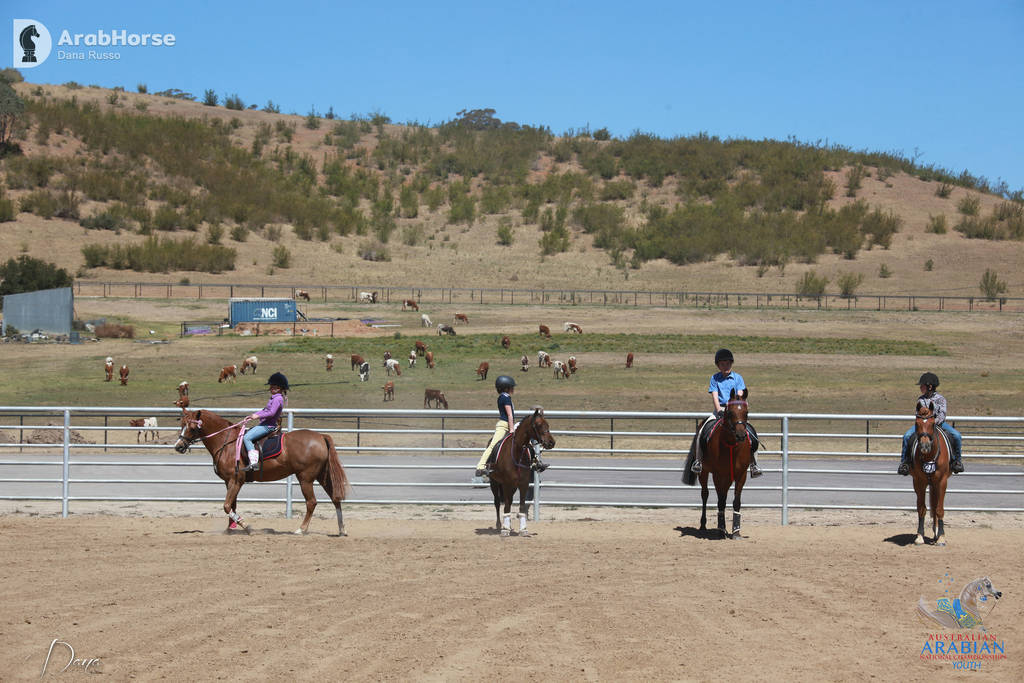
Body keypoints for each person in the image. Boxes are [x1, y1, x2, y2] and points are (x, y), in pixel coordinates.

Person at [691, 348, 762, 477]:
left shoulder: (738, 378)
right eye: (722, 364)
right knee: (702, 431)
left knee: (751, 432)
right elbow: (714, 394)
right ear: (718, 365)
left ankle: (754, 463)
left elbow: (740, 393)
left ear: (731, 363)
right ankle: (698, 461)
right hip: (721, 409)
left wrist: (735, 405)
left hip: (735, 409)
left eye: (728, 363)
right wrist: (718, 411)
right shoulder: (715, 378)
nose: (726, 366)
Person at [474, 375, 547, 479]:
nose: (513, 388)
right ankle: (480, 466)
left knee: (526, 440)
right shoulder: (505, 398)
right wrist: (512, 429)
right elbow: (509, 415)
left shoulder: (503, 397)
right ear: (506, 387)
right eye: (511, 387)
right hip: (504, 425)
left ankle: (535, 462)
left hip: (509, 424)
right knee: (493, 445)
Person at [898, 372, 964, 475]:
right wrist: (924, 424)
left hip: (939, 424)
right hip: (922, 425)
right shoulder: (920, 399)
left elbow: (942, 415)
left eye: (922, 385)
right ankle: (905, 462)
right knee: (907, 436)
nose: (920, 387)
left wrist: (932, 423)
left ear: (929, 387)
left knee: (957, 436)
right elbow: (917, 414)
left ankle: (957, 461)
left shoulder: (941, 399)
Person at [242, 372, 289, 472]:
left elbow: (271, 413)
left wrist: (257, 415)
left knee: (247, 438)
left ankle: (254, 463)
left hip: (268, 426)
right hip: (265, 424)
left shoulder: (278, 399)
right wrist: (253, 415)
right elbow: (265, 410)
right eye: (271, 386)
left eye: (274, 387)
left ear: (279, 388)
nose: (271, 388)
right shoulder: (275, 398)